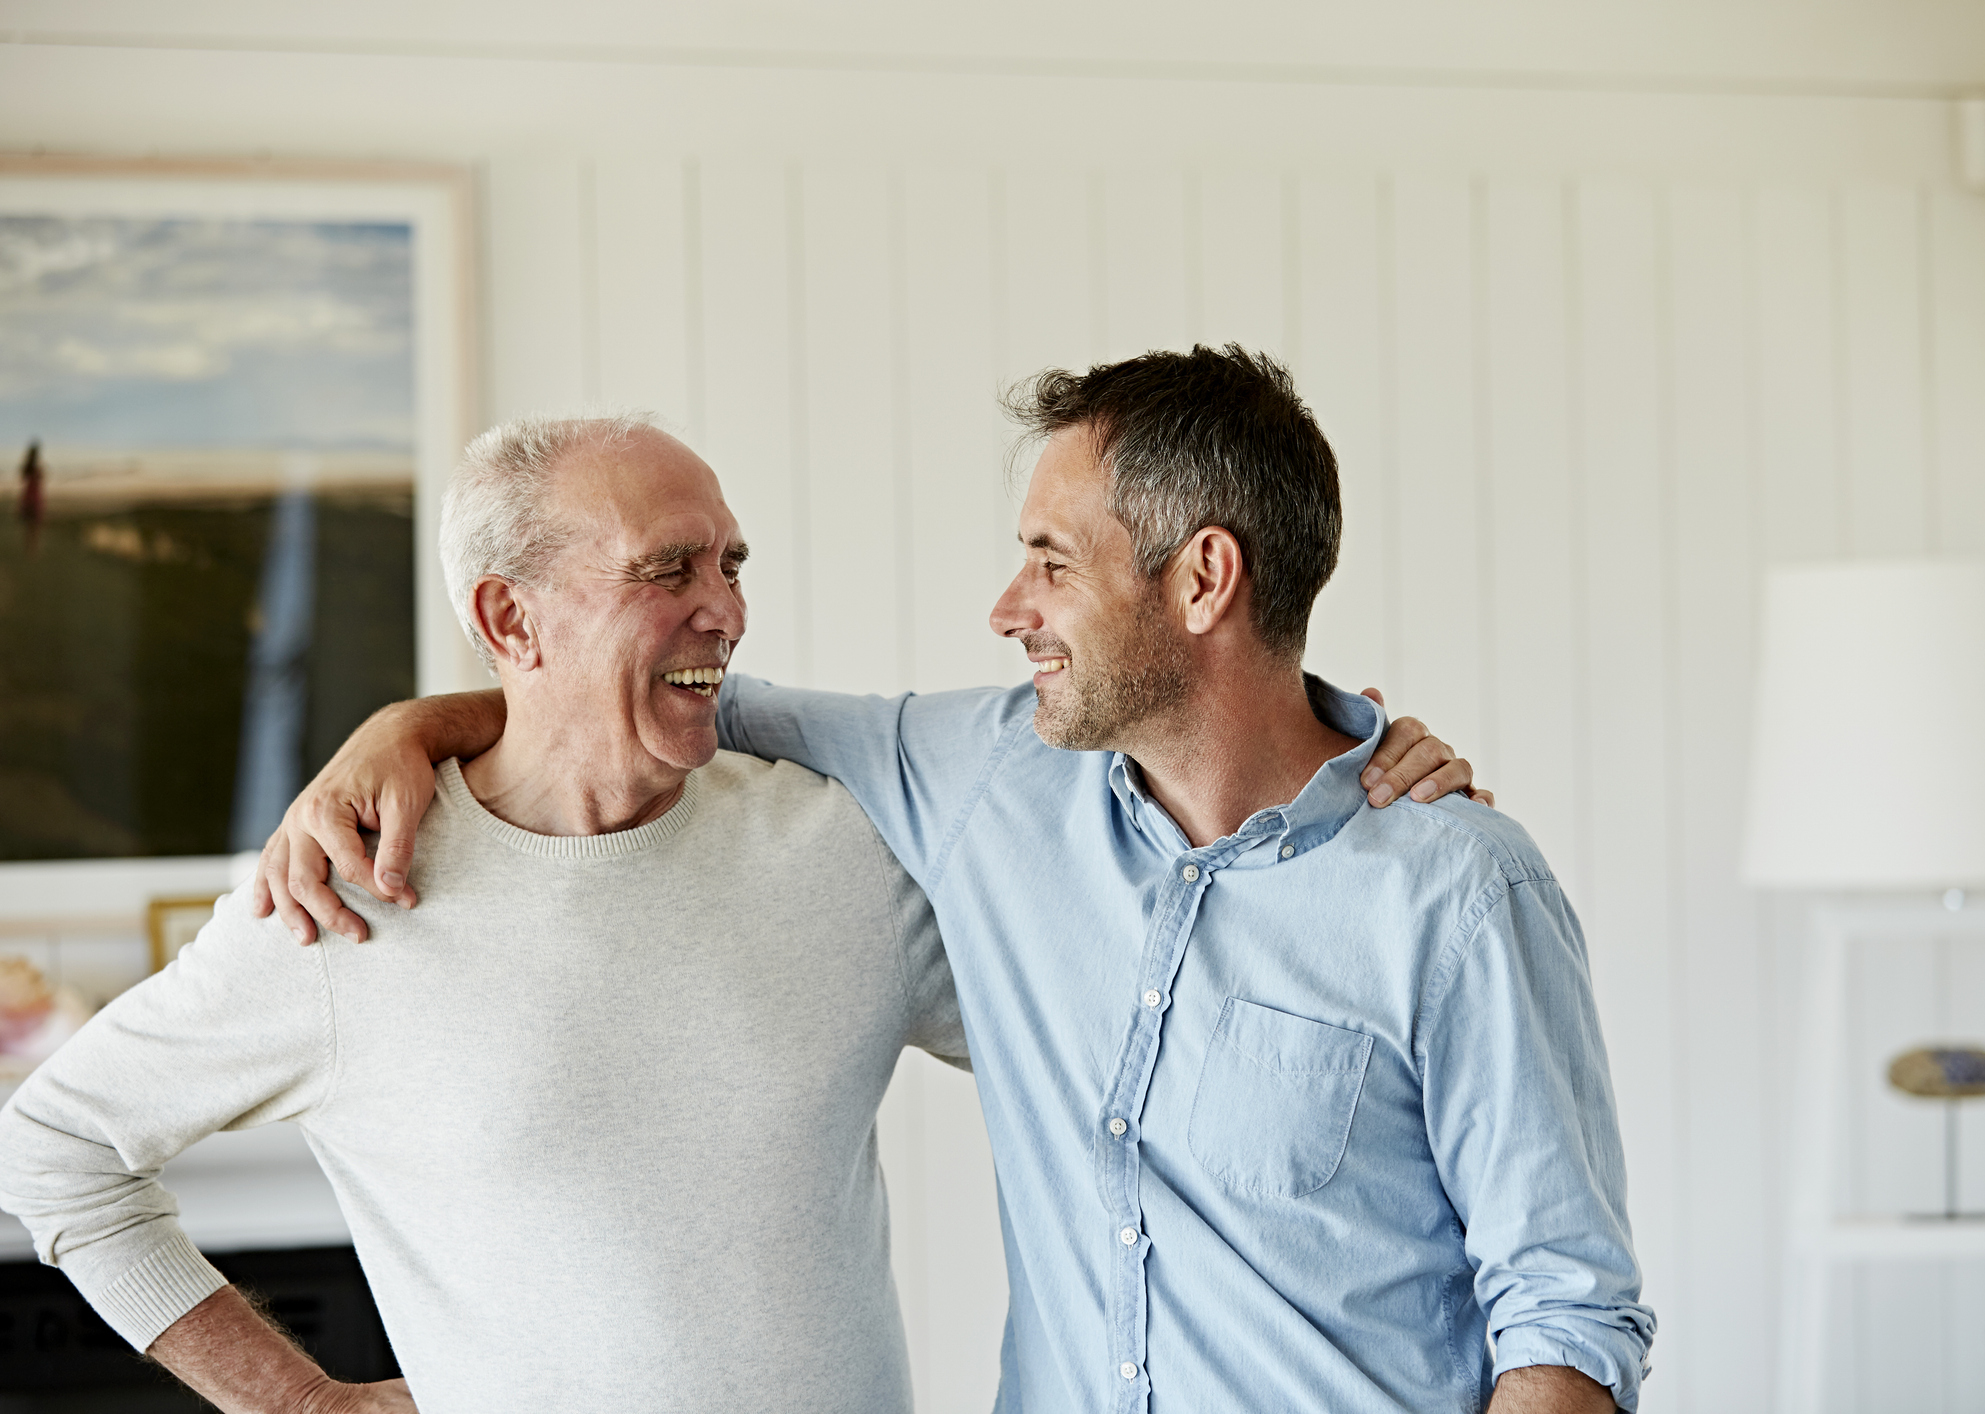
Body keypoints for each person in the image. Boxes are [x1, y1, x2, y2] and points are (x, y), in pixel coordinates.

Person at [262, 347, 1650, 1411]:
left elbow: (1565, 1309)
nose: (1007, 608)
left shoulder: (1456, 886)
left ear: (1204, 577)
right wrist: (413, 727)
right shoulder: (985, 776)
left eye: (1051, 561)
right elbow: (662, 699)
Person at [0, 414, 969, 1412]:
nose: (726, 609)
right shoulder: (339, 899)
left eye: (731, 564)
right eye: (668, 570)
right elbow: (53, 1149)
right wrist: (298, 1401)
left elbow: (1104, 1053)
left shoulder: (848, 852)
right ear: (511, 621)